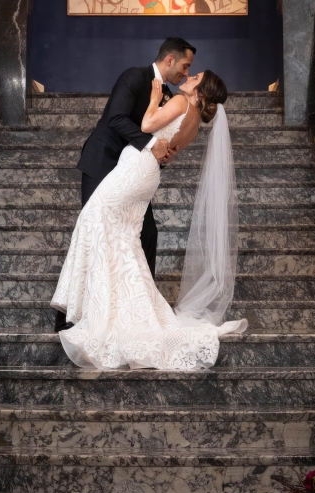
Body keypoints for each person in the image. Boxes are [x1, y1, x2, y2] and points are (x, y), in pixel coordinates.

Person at [50, 68, 247, 370]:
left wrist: (154, 100)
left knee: (94, 218)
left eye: (195, 77)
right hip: (147, 173)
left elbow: (146, 124)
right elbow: (169, 151)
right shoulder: (195, 122)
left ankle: (98, 309)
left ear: (202, 90)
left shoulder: (181, 103)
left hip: (136, 167)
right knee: (122, 237)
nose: (189, 76)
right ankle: (113, 306)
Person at [54, 37, 196, 333]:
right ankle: (72, 317)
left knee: (148, 232)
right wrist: (152, 144)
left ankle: (137, 311)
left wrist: (165, 151)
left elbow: (162, 133)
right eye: (185, 66)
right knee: (96, 230)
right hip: (103, 160)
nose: (185, 73)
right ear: (169, 60)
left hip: (130, 171)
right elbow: (116, 118)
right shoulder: (134, 76)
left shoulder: (170, 96)